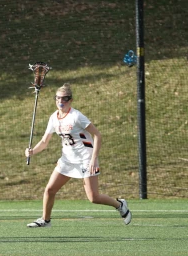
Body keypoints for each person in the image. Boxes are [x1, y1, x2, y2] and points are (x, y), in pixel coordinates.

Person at [24, 83, 131, 228]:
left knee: (94, 197)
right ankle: (45, 220)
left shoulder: (76, 116)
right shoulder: (54, 118)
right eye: (58, 98)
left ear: (71, 100)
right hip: (67, 160)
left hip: (85, 160)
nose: (61, 102)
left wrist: (93, 159)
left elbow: (97, 135)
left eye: (65, 99)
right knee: (50, 189)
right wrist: (32, 151)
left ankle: (119, 204)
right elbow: (44, 142)